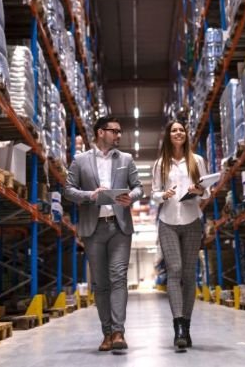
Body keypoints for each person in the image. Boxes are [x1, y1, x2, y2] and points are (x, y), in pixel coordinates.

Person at [64, 116, 143, 352]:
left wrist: (132, 196)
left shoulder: (126, 159)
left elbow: (139, 187)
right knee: (100, 283)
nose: (119, 135)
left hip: (119, 227)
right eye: (114, 131)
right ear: (100, 132)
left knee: (118, 277)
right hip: (93, 227)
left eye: (119, 132)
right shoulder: (80, 160)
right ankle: (106, 333)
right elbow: (68, 190)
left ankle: (119, 332)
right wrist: (90, 195)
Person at [151, 121, 209, 350]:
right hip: (168, 222)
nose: (178, 133)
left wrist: (200, 190)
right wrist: (163, 194)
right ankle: (178, 328)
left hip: (192, 220)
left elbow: (208, 191)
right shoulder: (159, 164)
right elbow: (153, 193)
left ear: (186, 135)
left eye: (182, 130)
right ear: (168, 135)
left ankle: (187, 324)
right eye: (174, 130)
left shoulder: (197, 161)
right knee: (174, 270)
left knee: (188, 273)